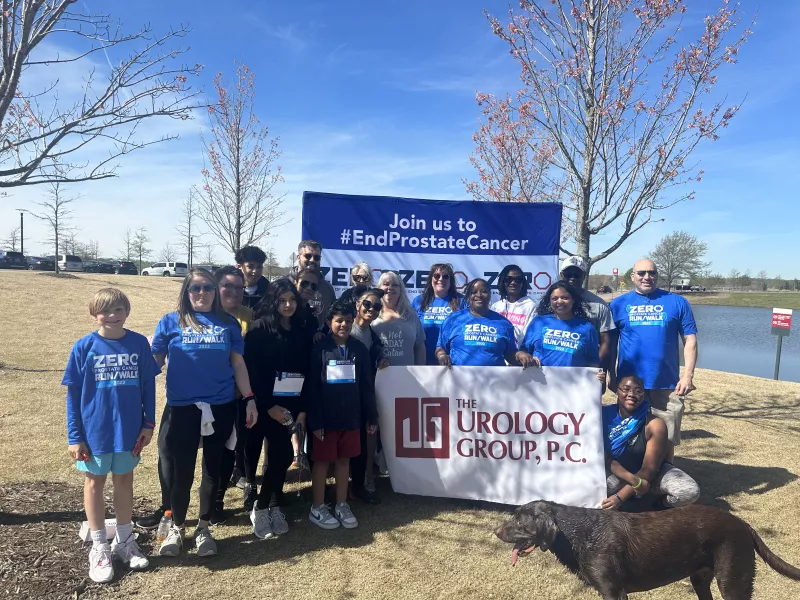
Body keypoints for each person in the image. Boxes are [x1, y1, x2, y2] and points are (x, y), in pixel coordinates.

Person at [150, 268, 258, 558]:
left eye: (207, 288)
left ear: (215, 291)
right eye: (195, 288)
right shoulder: (170, 322)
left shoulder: (228, 324)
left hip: (221, 406)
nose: (201, 293)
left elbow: (238, 365)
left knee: (212, 471)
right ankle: (177, 527)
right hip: (182, 409)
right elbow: (153, 363)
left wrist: (249, 398)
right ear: (186, 291)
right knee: (181, 472)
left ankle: (204, 527)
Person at [63, 288, 158, 583]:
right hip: (95, 432)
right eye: (105, 311)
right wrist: (74, 436)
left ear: (127, 312)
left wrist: (148, 423)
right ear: (95, 314)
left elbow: (148, 387)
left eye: (118, 310)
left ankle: (125, 541)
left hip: (129, 431)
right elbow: (73, 394)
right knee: (94, 483)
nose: (112, 316)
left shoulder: (139, 343)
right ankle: (100, 545)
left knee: (124, 481)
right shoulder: (84, 347)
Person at [243, 278, 313, 539]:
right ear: (273, 301)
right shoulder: (259, 330)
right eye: (282, 300)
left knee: (282, 457)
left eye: (292, 300)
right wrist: (268, 405)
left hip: (289, 405)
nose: (288, 304)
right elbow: (252, 370)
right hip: (261, 405)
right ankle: (259, 509)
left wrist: (302, 408)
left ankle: (265, 506)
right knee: (252, 452)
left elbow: (306, 371)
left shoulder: (301, 330)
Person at [610, 259, 698, 462]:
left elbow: (690, 340)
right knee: (629, 435)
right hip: (630, 385)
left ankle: (664, 479)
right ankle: (632, 478)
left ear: (657, 275)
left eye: (651, 273)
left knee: (666, 437)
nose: (646, 277)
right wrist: (611, 375)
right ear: (632, 276)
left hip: (666, 384)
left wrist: (687, 377)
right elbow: (609, 344)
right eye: (641, 273)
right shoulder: (618, 305)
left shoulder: (677, 302)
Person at [305, 300, 379, 530]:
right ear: (329, 322)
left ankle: (341, 503)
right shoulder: (320, 349)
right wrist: (315, 419)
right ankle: (317, 507)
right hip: (325, 418)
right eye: (339, 321)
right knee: (322, 462)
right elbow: (312, 388)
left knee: (344, 460)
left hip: (351, 417)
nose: (344, 325)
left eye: (348, 320)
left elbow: (367, 385)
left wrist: (371, 415)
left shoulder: (360, 349)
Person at [601, 374, 699, 511]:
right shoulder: (602, 415)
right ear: (617, 391)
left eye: (638, 391)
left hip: (648, 476)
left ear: (643, 395)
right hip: (617, 473)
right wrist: (634, 481)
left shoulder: (655, 424)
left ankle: (659, 505)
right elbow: (603, 457)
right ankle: (630, 497)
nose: (631, 394)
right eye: (626, 389)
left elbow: (649, 471)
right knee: (592, 491)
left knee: (689, 492)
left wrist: (619, 497)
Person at [214, 266, 254, 519]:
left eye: (240, 287)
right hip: (209, 396)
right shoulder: (205, 316)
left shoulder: (249, 316)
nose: (235, 292)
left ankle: (223, 497)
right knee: (213, 451)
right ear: (216, 288)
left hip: (240, 395)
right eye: (228, 286)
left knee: (235, 447)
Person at [348, 286, 389, 504]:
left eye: (376, 307)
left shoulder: (373, 335)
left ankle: (364, 479)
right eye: (367, 304)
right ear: (357, 305)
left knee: (367, 437)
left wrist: (381, 361)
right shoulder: (344, 327)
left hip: (365, 392)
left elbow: (375, 358)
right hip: (342, 394)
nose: (371, 309)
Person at [436, 278, 529, 368]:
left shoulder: (504, 324)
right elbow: (440, 348)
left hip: (495, 381)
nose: (479, 295)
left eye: (484, 291)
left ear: (489, 295)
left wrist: (520, 355)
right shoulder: (453, 319)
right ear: (468, 296)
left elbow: (510, 354)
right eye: (473, 292)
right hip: (459, 380)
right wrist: (442, 356)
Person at [520, 281, 600, 368]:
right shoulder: (537, 322)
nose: (560, 301)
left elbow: (593, 362)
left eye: (565, 297)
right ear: (550, 301)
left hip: (572, 381)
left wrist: (595, 378)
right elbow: (523, 351)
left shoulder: (588, 328)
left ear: (573, 300)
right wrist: (526, 357)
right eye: (554, 298)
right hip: (539, 380)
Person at [559, 256, 616, 371]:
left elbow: (606, 341)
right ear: (561, 275)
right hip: (556, 370)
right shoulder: (552, 302)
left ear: (584, 276)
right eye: (568, 274)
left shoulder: (599, 305)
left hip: (586, 371)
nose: (572, 278)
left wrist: (594, 368)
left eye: (577, 275)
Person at [412, 263, 464, 365]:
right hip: (423, 360)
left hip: (452, 362)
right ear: (431, 279)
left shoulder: (461, 301)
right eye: (436, 276)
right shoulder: (419, 301)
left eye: (445, 276)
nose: (441, 279)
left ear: (451, 280)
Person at [371, 271, 426, 366]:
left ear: (401, 290)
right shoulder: (372, 313)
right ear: (379, 288)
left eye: (395, 285)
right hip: (377, 377)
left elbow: (419, 346)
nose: (390, 288)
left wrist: (421, 372)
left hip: (407, 376)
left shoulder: (411, 314)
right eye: (386, 284)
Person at [289, 240, 336, 326]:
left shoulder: (327, 288)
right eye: (308, 256)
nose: (312, 260)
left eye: (316, 257)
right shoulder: (285, 284)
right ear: (298, 257)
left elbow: (332, 317)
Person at [490, 264, 537, 347]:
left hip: (518, 356)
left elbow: (529, 337)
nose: (513, 282)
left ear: (523, 283)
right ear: (503, 282)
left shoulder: (531, 306)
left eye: (518, 279)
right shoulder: (496, 306)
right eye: (508, 279)